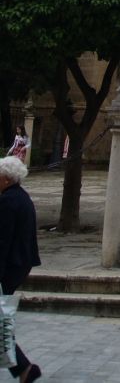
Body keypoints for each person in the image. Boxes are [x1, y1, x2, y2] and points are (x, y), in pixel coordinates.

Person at [0, 156, 41, 381]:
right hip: (20, 265)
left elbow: (3, 241)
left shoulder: (8, 201)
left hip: (9, 267)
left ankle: (24, 368)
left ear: (6, 179)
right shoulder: (22, 198)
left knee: (1, 322)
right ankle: (23, 369)